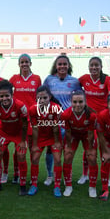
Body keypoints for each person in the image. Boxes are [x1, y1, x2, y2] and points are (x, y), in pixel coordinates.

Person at [43, 55, 81, 186]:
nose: (62, 66)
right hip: (52, 120)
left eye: (65, 64)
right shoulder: (49, 80)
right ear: (56, 66)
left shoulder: (75, 82)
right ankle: (50, 175)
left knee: (67, 150)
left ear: (69, 66)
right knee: (50, 149)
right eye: (60, 64)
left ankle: (65, 175)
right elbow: (43, 97)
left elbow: (80, 100)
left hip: (68, 122)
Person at [78, 56, 110, 185]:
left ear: (101, 67)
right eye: (91, 65)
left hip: (104, 120)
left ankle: (106, 177)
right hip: (89, 119)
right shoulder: (84, 79)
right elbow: (73, 87)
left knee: (104, 148)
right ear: (88, 67)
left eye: (96, 65)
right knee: (89, 147)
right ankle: (85, 174)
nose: (94, 67)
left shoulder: (108, 79)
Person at [0, 80, 28, 196]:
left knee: (21, 155)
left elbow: (25, 124)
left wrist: (22, 141)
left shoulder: (20, 106)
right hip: (4, 132)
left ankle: (22, 185)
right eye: (2, 96)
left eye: (7, 96)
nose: (4, 98)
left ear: (12, 95)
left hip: (18, 133)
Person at [9, 54, 42, 185]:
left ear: (30, 63)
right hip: (18, 120)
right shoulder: (14, 79)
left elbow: (41, 97)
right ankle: (17, 174)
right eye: (22, 62)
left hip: (33, 119)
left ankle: (33, 178)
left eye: (26, 62)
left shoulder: (37, 79)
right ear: (19, 64)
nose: (24, 64)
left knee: (33, 149)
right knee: (18, 148)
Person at [61, 90, 98, 198]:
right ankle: (68, 186)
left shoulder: (91, 115)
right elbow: (67, 132)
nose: (78, 105)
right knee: (67, 156)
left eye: (80, 102)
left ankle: (92, 187)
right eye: (75, 102)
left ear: (85, 102)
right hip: (73, 135)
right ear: (71, 102)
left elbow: (91, 133)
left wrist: (90, 149)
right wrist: (68, 146)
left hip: (87, 135)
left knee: (91, 157)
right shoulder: (66, 114)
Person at [28, 86, 63, 197]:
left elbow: (55, 127)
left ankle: (57, 186)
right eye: (39, 98)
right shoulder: (33, 109)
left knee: (57, 160)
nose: (42, 100)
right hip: (40, 138)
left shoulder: (56, 108)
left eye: (45, 98)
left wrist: (57, 142)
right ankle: (34, 184)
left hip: (53, 137)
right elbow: (34, 128)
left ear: (50, 97)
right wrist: (34, 144)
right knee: (34, 158)